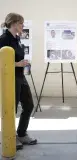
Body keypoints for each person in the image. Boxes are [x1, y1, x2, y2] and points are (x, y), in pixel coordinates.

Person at [0, 13, 37, 150]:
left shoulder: (17, 39)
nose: (23, 26)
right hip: (10, 78)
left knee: (28, 105)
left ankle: (21, 134)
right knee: (11, 109)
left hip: (21, 77)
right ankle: (10, 136)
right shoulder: (4, 39)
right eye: (21, 23)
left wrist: (23, 64)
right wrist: (17, 64)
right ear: (14, 23)